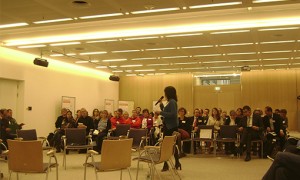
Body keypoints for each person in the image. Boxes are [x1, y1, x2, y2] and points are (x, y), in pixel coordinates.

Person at [155, 86, 181, 171]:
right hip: (169, 126)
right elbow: (167, 112)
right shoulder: (171, 102)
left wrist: (160, 112)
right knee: (171, 145)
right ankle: (175, 163)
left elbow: (173, 114)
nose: (164, 94)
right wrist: (161, 105)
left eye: (165, 92)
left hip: (171, 127)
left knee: (168, 145)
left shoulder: (172, 102)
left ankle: (168, 164)